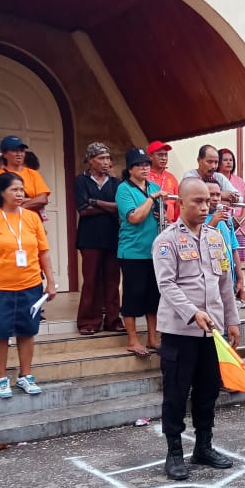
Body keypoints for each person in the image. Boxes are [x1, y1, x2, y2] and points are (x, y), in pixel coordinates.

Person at [152, 177, 240, 480]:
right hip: (180, 332)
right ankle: (174, 452)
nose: (206, 207)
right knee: (176, 393)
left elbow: (224, 283)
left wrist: (233, 320)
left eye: (208, 201)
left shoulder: (216, 237)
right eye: (198, 202)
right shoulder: (166, 241)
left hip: (212, 332)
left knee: (208, 391)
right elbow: (167, 285)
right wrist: (193, 313)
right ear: (181, 202)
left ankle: (203, 446)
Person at [0, 171, 57, 398]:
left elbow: (44, 252)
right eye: (14, 189)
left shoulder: (31, 218)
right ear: (1, 192)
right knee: (0, 333)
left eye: (22, 190)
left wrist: (50, 282)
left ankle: (25, 376)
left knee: (27, 331)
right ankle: (1, 379)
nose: (20, 194)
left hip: (30, 285)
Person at [115, 147, 165, 356]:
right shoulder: (123, 189)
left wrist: (160, 213)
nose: (145, 168)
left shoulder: (153, 186)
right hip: (132, 251)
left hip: (153, 251)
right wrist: (152, 199)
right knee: (133, 296)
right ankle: (133, 340)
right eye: (139, 164)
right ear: (130, 168)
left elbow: (161, 216)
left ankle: (153, 338)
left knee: (153, 296)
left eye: (146, 164)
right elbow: (134, 217)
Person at [74, 142, 123, 335]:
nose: (107, 162)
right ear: (90, 160)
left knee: (112, 281)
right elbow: (83, 209)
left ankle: (113, 320)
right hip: (90, 239)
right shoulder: (81, 181)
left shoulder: (116, 183)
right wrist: (108, 207)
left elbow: (119, 207)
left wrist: (96, 202)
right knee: (91, 280)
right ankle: (88, 321)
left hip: (112, 238)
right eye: (101, 158)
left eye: (108, 158)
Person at [205, 180, 244, 303]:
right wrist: (213, 222)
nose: (215, 199)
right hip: (209, 280)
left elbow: (233, 248)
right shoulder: (197, 218)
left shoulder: (226, 218)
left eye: (218, 194)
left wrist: (240, 278)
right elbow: (200, 243)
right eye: (211, 195)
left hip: (227, 277)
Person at [0, 136, 50, 219]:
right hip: (7, 220)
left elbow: (43, 199)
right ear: (4, 154)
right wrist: (30, 201)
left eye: (22, 150)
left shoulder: (33, 174)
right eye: (14, 150)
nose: (19, 154)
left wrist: (20, 207)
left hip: (31, 221)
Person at [218, 147, 245, 266]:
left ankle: (239, 282)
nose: (228, 162)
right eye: (225, 160)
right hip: (222, 222)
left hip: (239, 226)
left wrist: (241, 218)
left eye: (231, 160)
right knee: (223, 258)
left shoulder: (239, 180)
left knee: (238, 262)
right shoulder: (215, 178)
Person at [146, 140, 179, 224]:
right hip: (149, 223)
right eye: (160, 155)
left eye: (166, 155)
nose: (164, 158)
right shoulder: (145, 176)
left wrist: (173, 222)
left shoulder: (171, 177)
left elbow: (178, 204)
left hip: (169, 225)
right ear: (150, 156)